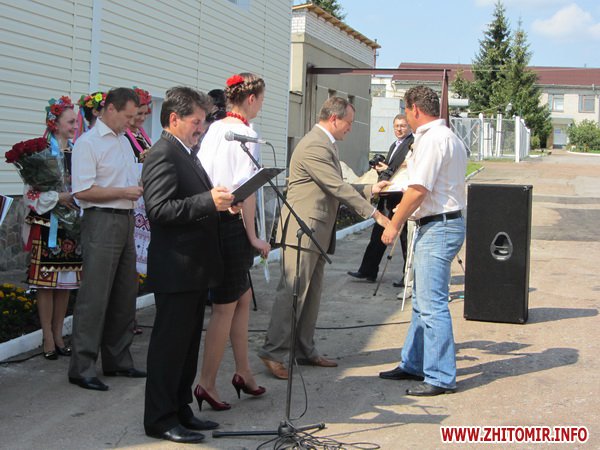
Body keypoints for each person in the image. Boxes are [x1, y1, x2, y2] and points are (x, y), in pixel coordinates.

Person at [258, 96, 391, 379]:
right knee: (293, 292)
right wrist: (374, 214)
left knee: (311, 294)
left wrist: (371, 189)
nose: (350, 128)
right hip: (303, 230)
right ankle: (273, 352)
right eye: (348, 122)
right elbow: (336, 187)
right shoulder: (315, 145)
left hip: (315, 231)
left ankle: (304, 349)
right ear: (334, 118)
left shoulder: (324, 143)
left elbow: (336, 184)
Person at [142, 86, 235, 444]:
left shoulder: (185, 152)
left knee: (185, 348)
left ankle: (180, 409)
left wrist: (221, 204)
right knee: (169, 349)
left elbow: (193, 201)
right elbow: (159, 210)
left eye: (203, 121)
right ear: (174, 119)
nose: (202, 128)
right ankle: (160, 418)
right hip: (176, 268)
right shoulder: (162, 153)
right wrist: (207, 202)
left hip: (193, 268)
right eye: (196, 122)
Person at [380, 85, 467, 396]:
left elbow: (419, 190)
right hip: (440, 224)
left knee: (432, 305)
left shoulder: (432, 140)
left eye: (405, 111)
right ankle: (414, 363)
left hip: (438, 226)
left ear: (414, 109)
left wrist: (394, 224)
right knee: (422, 302)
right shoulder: (445, 137)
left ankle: (440, 376)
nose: (405, 116)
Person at [194, 73, 270, 410]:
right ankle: (206, 382)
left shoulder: (214, 128)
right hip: (230, 222)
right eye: (261, 100)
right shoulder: (246, 134)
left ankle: (243, 371)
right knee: (224, 306)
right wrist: (253, 236)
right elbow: (247, 191)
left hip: (210, 216)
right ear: (251, 99)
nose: (261, 106)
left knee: (242, 296)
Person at [68, 87, 145, 392]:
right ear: (110, 109)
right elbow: (82, 191)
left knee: (125, 293)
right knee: (95, 295)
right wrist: (123, 192)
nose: (132, 122)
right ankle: (82, 367)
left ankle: (118, 359)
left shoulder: (124, 140)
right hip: (101, 220)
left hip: (125, 219)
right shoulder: (88, 143)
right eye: (128, 116)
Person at [23, 96, 81, 360]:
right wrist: (58, 197)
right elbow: (30, 194)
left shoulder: (78, 152)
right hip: (47, 223)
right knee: (46, 283)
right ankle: (47, 335)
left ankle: (58, 334)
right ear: (54, 124)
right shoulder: (42, 153)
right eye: (70, 122)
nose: (75, 126)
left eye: (76, 122)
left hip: (72, 224)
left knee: (65, 283)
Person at [347, 114, 413, 284]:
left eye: (403, 126)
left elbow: (403, 169)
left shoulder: (411, 144)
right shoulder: (394, 145)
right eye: (396, 126)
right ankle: (368, 270)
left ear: (409, 127)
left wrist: (387, 169)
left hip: (400, 196)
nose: (399, 129)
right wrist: (381, 170)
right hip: (387, 195)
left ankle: (408, 277)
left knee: (404, 237)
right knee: (378, 233)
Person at [125, 87, 153, 334]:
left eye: (145, 113)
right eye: (139, 113)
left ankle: (129, 316)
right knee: (128, 266)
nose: (142, 118)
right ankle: (124, 318)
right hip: (131, 203)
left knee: (135, 267)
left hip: (143, 203)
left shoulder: (141, 136)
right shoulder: (123, 137)